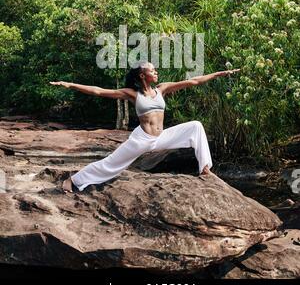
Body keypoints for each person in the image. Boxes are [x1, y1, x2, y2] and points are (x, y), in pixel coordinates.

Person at [49, 62, 240, 192]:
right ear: (142, 75)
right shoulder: (132, 93)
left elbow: (193, 81)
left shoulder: (162, 89)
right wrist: (70, 85)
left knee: (195, 126)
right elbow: (98, 91)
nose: (156, 71)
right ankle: (73, 181)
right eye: (152, 70)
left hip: (161, 137)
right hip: (141, 140)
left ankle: (205, 169)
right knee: (110, 164)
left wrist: (218, 74)